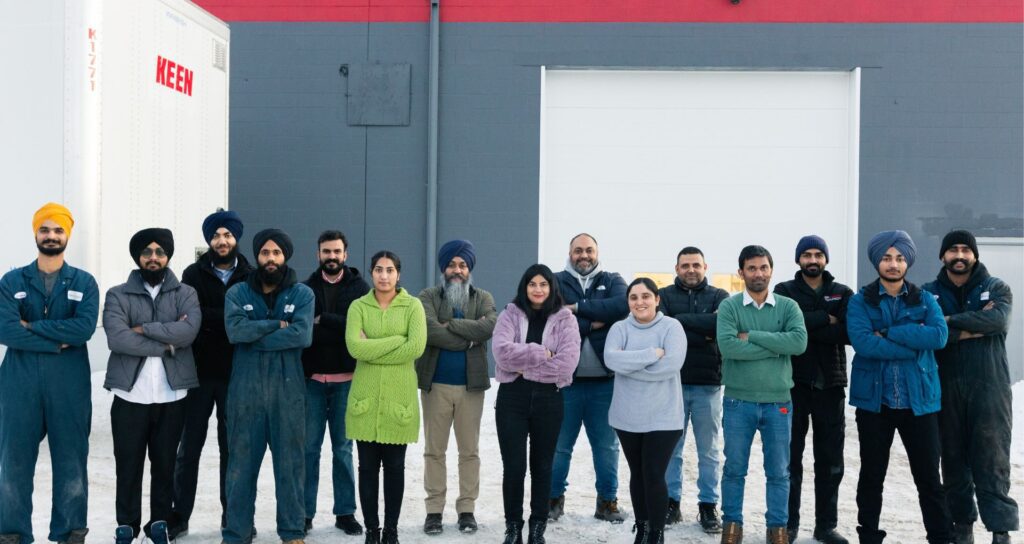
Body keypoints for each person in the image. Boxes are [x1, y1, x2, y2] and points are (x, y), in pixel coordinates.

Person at [0, 203, 99, 544]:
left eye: (58, 230)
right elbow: (6, 330)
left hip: (68, 384)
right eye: (45, 229)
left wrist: (34, 326)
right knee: (13, 461)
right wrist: (56, 343)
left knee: (72, 459)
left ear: (67, 234)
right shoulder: (12, 281)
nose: (52, 236)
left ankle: (70, 532)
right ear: (35, 233)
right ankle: (11, 534)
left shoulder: (84, 282)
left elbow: (83, 329)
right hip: (19, 382)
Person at [846, 230, 953, 544]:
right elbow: (864, 343)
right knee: (871, 476)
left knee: (929, 479)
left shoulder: (925, 299)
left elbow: (939, 337)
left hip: (919, 402)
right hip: (875, 403)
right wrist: (911, 342)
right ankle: (868, 535)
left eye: (900, 258)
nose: (893, 264)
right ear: (877, 261)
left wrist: (889, 332)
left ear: (908, 262)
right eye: (887, 258)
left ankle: (941, 536)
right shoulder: (859, 300)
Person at [103, 228, 201, 544]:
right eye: (147, 252)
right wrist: (165, 345)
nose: (154, 257)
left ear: (168, 256)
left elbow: (187, 333)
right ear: (138, 257)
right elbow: (117, 338)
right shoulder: (118, 294)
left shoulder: (186, 293)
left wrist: (144, 328)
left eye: (160, 251)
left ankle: (158, 522)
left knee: (164, 464)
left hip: (172, 395)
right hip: (130, 395)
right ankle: (127, 525)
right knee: (128, 464)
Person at [923, 230, 1017, 544]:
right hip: (945, 388)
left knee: (992, 458)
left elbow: (998, 322)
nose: (960, 255)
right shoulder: (927, 294)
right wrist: (969, 326)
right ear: (942, 256)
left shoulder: (997, 288)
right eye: (953, 250)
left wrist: (947, 321)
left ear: (974, 255)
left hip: (989, 388)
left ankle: (1000, 529)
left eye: (966, 249)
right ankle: (961, 526)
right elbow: (927, 332)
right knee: (952, 459)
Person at [222, 229, 315, 544]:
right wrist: (276, 325)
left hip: (288, 392)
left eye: (276, 252)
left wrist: (255, 334)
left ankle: (291, 532)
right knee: (240, 467)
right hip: (245, 392)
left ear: (285, 256)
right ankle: (236, 533)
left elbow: (302, 336)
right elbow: (235, 332)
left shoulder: (302, 294)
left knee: (290, 465)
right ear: (257, 256)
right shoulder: (237, 293)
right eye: (265, 253)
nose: (271, 258)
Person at [716, 245, 808, 544]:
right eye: (752, 268)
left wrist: (752, 336)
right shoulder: (730, 307)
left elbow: (798, 343)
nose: (759, 273)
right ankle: (732, 527)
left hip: (778, 402)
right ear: (741, 272)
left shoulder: (788, 307)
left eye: (764, 267)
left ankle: (777, 529)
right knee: (734, 468)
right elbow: (729, 347)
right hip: (738, 401)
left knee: (779, 471)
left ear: (771, 270)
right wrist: (774, 345)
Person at [172, 209, 251, 537]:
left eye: (228, 235)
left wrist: (212, 319)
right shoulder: (192, 273)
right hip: (199, 373)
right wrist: (231, 319)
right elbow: (188, 317)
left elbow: (252, 318)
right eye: (216, 235)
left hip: (237, 373)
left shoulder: (250, 273)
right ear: (209, 240)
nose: (222, 241)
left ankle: (232, 515)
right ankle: (179, 516)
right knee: (189, 447)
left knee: (232, 449)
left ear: (236, 238)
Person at [493, 264, 581, 544]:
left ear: (551, 287)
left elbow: (567, 364)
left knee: (543, 466)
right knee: (514, 467)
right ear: (525, 287)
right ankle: (513, 527)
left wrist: (525, 367)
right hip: (512, 399)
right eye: (533, 284)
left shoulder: (565, 319)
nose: (538, 289)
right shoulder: (509, 313)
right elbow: (502, 354)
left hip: (549, 399)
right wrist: (542, 352)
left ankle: (537, 527)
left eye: (544, 284)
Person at [773, 236, 853, 544]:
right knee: (789, 459)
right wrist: (824, 320)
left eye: (818, 254)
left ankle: (826, 526)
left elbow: (847, 332)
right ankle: (788, 524)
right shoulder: (784, 291)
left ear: (826, 259)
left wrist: (803, 328)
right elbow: (782, 326)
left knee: (830, 460)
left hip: (830, 386)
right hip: (793, 385)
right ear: (798, 260)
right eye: (807, 254)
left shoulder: (842, 292)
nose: (813, 259)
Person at [344, 250, 427, 544]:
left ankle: (391, 530)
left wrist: (375, 346)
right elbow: (355, 348)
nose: (384, 275)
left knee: (394, 469)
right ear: (371, 273)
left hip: (398, 400)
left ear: (398, 274)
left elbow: (415, 348)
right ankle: (372, 531)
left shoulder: (413, 306)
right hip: (364, 401)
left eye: (389, 270)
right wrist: (397, 341)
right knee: (366, 469)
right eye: (378, 269)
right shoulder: (358, 307)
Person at [416, 240, 497, 535]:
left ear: (469, 268)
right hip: (435, 385)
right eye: (451, 264)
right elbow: (427, 330)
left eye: (462, 265)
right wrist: (469, 336)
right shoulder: (427, 296)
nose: (457, 270)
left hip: (470, 388)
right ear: (443, 268)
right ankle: (434, 511)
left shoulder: (483, 296)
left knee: (469, 451)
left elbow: (490, 327)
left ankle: (466, 510)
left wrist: (448, 325)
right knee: (434, 451)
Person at [550, 233, 629, 523]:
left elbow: (621, 307)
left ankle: (607, 501)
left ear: (597, 252)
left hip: (605, 384)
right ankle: (553, 498)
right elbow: (552, 318)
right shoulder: (555, 281)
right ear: (569, 253)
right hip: (565, 383)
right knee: (560, 445)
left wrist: (575, 309)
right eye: (578, 250)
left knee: (607, 446)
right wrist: (594, 321)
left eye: (589, 250)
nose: (584, 255)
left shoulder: (614, 280)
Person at [604, 277, 687, 544]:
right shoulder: (619, 328)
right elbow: (610, 359)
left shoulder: (672, 327)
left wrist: (629, 367)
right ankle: (642, 528)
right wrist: (651, 354)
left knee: (653, 474)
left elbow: (672, 365)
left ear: (657, 299)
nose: (640, 302)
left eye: (645, 296)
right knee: (637, 474)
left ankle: (657, 533)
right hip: (627, 416)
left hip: (664, 417)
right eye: (633, 297)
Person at [301, 230, 370, 536]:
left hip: (347, 382)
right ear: (318, 254)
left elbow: (360, 330)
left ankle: (345, 513)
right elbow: (304, 332)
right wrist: (340, 326)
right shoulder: (305, 288)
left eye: (337, 251)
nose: (331, 256)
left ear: (346, 254)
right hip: (312, 381)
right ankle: (304, 513)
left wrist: (324, 321)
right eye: (326, 251)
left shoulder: (360, 288)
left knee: (343, 449)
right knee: (309, 450)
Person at [658, 246, 728, 533]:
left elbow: (720, 326)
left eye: (696, 265)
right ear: (676, 269)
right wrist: (704, 333)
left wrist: (681, 323)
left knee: (708, 450)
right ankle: (670, 502)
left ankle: (708, 505)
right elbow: (662, 331)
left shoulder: (720, 297)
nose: (691, 270)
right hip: (671, 384)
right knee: (671, 449)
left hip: (708, 385)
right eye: (685, 265)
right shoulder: (662, 296)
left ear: (705, 267)